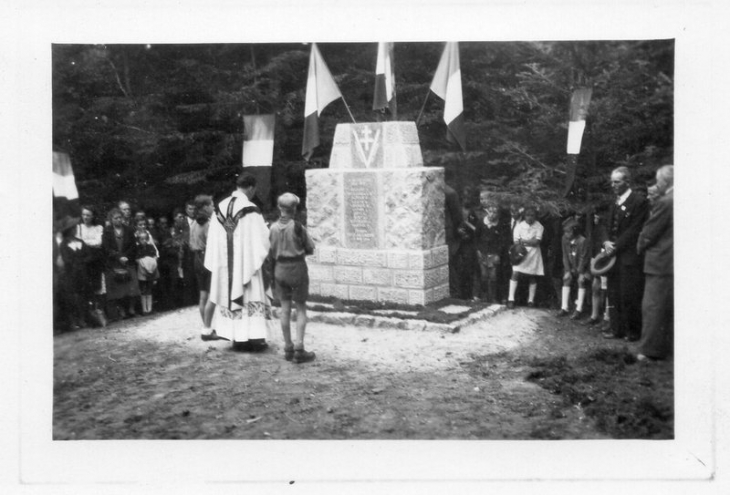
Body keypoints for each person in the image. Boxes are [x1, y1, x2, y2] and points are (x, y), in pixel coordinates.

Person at [203, 173, 274, 350]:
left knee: (229, 294)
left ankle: (236, 337)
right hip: (245, 265)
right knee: (251, 294)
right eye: (253, 190)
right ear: (250, 188)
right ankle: (253, 338)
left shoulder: (219, 207)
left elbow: (213, 239)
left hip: (226, 267)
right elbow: (262, 239)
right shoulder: (250, 209)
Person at [600, 166, 650, 341]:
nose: (613, 185)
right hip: (612, 255)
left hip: (629, 255)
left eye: (617, 181)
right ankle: (617, 330)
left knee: (629, 294)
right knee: (613, 292)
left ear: (627, 182)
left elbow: (635, 229)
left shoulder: (639, 202)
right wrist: (606, 241)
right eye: (612, 181)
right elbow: (606, 226)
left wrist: (616, 246)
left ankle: (633, 332)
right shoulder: (615, 201)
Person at [268, 192, 316, 363]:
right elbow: (310, 247)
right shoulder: (297, 227)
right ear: (294, 209)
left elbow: (271, 251)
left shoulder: (272, 227)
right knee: (301, 307)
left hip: (280, 269)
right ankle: (299, 347)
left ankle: (287, 346)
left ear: (279, 207)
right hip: (297, 268)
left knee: (285, 308)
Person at [636, 165, 674, 361]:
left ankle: (649, 350)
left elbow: (648, 233)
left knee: (652, 306)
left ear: (666, 181)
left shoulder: (666, 202)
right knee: (663, 307)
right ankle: (661, 348)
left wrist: (639, 246)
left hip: (659, 261)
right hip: (668, 261)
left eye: (659, 181)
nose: (657, 184)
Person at [102, 207, 140, 319]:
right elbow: (106, 248)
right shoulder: (107, 231)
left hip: (128, 261)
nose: (118, 220)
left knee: (132, 286)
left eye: (120, 217)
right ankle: (122, 309)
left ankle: (131, 309)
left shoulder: (129, 229)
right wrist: (118, 257)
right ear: (111, 219)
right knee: (119, 289)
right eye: (115, 218)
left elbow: (133, 246)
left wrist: (126, 256)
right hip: (114, 262)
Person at [57, 216, 93, 330]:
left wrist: (83, 261)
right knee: (73, 299)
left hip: (83, 273)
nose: (75, 229)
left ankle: (82, 320)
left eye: (76, 227)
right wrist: (78, 262)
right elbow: (67, 259)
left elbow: (89, 255)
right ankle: (73, 322)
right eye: (73, 228)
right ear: (69, 230)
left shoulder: (80, 242)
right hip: (71, 275)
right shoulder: (64, 244)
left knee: (83, 297)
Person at [473, 194, 510, 303]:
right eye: (490, 211)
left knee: (493, 276)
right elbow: (476, 237)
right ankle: (484, 297)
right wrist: (478, 250)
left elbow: (502, 241)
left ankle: (493, 297)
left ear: (498, 214)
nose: (492, 214)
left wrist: (498, 254)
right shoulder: (481, 222)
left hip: (494, 254)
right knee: (483, 275)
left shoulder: (499, 225)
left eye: (495, 212)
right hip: (483, 252)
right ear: (487, 211)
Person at [507, 205, 544, 309]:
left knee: (532, 276)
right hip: (520, 253)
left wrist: (524, 241)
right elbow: (516, 242)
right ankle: (511, 299)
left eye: (532, 215)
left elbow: (536, 242)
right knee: (515, 273)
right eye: (527, 215)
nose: (530, 217)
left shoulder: (539, 226)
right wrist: (528, 242)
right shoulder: (519, 226)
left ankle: (531, 300)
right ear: (524, 216)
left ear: (535, 216)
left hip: (533, 254)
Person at [76, 205, 107, 326]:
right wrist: (89, 244)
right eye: (83, 214)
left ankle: (99, 315)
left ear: (93, 216)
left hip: (96, 260)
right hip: (84, 260)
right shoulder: (79, 227)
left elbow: (99, 242)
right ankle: (87, 318)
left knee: (97, 288)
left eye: (88, 215)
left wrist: (85, 242)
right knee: (85, 289)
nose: (85, 217)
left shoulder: (98, 227)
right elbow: (78, 242)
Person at [190, 194, 215, 335]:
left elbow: (191, 243)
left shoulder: (193, 223)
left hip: (196, 258)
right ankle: (207, 328)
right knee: (212, 295)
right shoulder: (208, 224)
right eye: (212, 204)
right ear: (205, 207)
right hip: (207, 258)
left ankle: (206, 326)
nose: (214, 207)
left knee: (202, 295)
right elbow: (211, 242)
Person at [558, 216, 590, 319]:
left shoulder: (582, 241)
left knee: (581, 281)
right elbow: (564, 255)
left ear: (575, 231)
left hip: (583, 268)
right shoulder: (564, 239)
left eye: (569, 232)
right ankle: (564, 307)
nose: (566, 234)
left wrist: (580, 272)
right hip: (572, 267)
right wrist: (567, 270)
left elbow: (583, 258)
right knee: (566, 278)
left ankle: (578, 309)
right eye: (565, 232)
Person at [585, 206, 610, 327]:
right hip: (597, 261)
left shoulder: (605, 230)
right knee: (595, 287)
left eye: (596, 217)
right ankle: (594, 315)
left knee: (605, 290)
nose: (595, 219)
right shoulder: (595, 230)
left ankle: (606, 317)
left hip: (606, 262)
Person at [443, 182, 464, 298]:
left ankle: (455, 292)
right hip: (438, 231)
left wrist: (456, 234)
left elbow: (457, 217)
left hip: (448, 233)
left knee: (450, 262)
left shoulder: (450, 193)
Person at [135, 231, 159, 315]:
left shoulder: (151, 247)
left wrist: (151, 263)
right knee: (143, 289)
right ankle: (144, 309)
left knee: (149, 288)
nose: (144, 241)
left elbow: (155, 256)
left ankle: (150, 308)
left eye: (145, 239)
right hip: (142, 270)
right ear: (138, 240)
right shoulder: (137, 248)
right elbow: (137, 259)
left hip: (151, 269)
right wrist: (143, 263)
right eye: (142, 239)